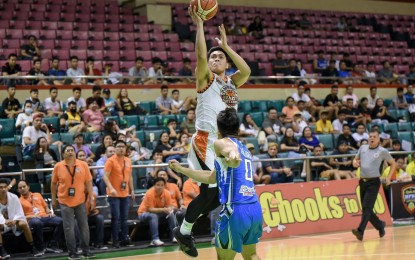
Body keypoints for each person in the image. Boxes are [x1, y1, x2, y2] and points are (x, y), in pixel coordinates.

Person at [172, 5, 252, 258]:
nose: (215, 59)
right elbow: (201, 57)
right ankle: (184, 230)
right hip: (205, 141)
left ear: (227, 63)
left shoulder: (232, 82)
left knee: (218, 195)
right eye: (214, 57)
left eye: (220, 58)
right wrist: (199, 25)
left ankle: (184, 231)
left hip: (223, 143)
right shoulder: (205, 79)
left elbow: (247, 71)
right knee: (213, 188)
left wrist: (226, 46)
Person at [169, 107, 262, 260]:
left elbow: (229, 149)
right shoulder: (245, 148)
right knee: (251, 255)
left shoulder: (221, 143)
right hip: (254, 209)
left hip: (236, 211)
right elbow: (211, 178)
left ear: (218, 130)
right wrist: (181, 169)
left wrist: (232, 156)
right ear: (238, 130)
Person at [51, 145, 95, 259]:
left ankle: (86, 250)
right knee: (69, 228)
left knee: (84, 226)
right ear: (63, 154)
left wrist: (91, 196)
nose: (70, 152)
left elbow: (89, 181)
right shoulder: (58, 166)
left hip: (80, 200)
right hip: (64, 201)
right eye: (67, 151)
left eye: (72, 150)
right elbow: (53, 183)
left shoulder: (83, 164)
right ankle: (72, 252)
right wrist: (54, 199)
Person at [351, 129, 396, 241]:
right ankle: (380, 225)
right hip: (362, 182)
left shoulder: (382, 151)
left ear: (378, 139)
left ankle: (360, 231)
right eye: (370, 136)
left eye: (374, 137)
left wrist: (389, 177)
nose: (371, 138)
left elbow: (393, 163)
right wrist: (355, 162)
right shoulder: (363, 148)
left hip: (374, 183)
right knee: (367, 209)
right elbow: (355, 160)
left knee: (366, 207)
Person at [103, 140, 135, 248]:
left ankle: (125, 239)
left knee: (124, 217)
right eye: (118, 146)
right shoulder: (110, 161)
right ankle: (115, 240)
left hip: (125, 193)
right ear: (115, 148)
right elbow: (105, 176)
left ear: (125, 149)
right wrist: (111, 188)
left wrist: (132, 190)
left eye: (123, 146)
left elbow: (130, 176)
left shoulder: (128, 160)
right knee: (116, 218)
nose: (121, 148)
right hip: (113, 194)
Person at [0, 179, 43, 258]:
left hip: (14, 221)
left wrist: (14, 221)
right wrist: (5, 221)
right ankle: (2, 251)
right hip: (3, 223)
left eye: (5, 187)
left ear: (7, 188)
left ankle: (32, 248)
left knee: (23, 223)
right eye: (1, 187)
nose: (3, 189)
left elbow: (19, 212)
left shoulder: (14, 197)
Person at [18, 180, 64, 253]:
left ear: (28, 187)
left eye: (24, 186)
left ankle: (51, 244)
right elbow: (20, 217)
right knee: (36, 222)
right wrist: (32, 216)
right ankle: (41, 246)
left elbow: (45, 207)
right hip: (32, 219)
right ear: (18, 190)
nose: (22, 189)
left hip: (45, 217)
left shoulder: (37, 195)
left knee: (61, 221)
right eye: (20, 188)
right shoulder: (18, 201)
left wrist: (49, 212)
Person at [137, 177, 176, 246]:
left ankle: (174, 236)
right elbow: (150, 209)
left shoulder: (166, 193)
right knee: (153, 216)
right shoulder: (149, 193)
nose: (160, 187)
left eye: (162, 185)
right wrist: (163, 209)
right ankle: (155, 239)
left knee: (171, 214)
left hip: (158, 214)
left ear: (164, 186)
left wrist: (169, 209)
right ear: (154, 185)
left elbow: (169, 206)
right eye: (158, 185)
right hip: (143, 214)